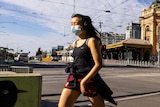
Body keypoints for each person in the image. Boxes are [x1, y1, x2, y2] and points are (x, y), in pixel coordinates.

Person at [58, 13, 117, 107]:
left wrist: (84, 81)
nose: (73, 27)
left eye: (75, 23)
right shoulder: (75, 43)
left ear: (84, 25)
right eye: (71, 24)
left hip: (89, 79)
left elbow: (99, 64)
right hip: (74, 77)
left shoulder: (91, 41)